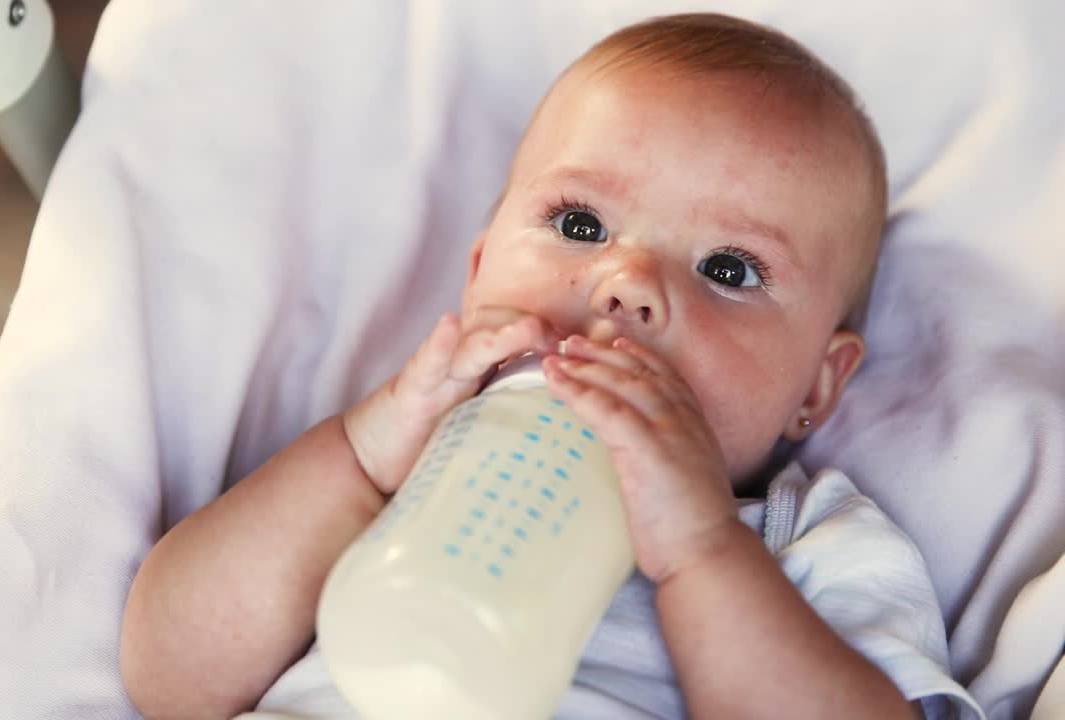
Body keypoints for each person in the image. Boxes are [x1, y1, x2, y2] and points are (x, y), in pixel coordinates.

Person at [119, 13, 984, 720]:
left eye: (728, 270)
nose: (629, 284)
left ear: (816, 388)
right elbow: (171, 679)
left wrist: (701, 549)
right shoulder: (392, 465)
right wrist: (357, 456)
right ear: (481, 267)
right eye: (579, 225)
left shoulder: (806, 541)